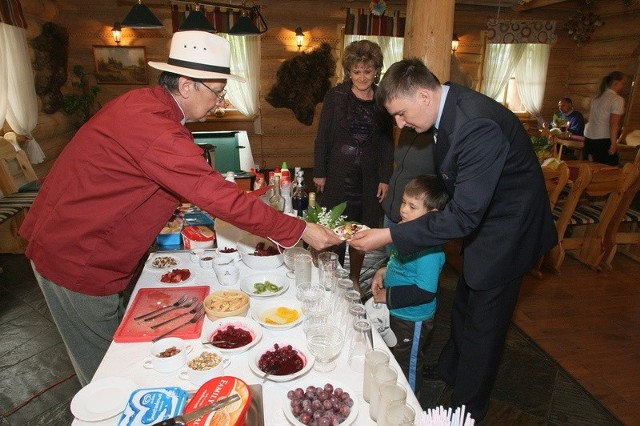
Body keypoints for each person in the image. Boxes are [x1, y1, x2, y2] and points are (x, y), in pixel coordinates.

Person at [19, 31, 341, 386]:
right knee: (107, 372)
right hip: (76, 256)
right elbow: (217, 195)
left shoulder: (143, 103)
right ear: (187, 85)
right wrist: (300, 229)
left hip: (69, 240)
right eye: (218, 92)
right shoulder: (155, 126)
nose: (221, 102)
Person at [350, 58, 557, 422]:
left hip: (510, 232)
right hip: (486, 222)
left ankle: (467, 408)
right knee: (464, 301)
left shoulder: (476, 125)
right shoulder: (448, 109)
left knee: (484, 326)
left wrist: (391, 234)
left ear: (425, 95)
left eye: (400, 113)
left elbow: (463, 215)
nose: (399, 124)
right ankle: (449, 370)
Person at [313, 39, 394, 294]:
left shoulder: (383, 98)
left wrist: (385, 177)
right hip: (338, 171)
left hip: (369, 177)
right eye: (356, 71)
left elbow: (386, 141)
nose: (362, 77)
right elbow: (322, 136)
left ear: (376, 71)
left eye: (367, 71)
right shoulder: (335, 96)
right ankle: (336, 277)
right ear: (349, 71)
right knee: (336, 228)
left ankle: (356, 278)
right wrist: (320, 172)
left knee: (362, 230)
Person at [371, 174, 449, 396]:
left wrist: (388, 296)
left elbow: (425, 290)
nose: (403, 210)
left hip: (412, 320)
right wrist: (384, 270)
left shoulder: (430, 250)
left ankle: (408, 404)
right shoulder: (410, 234)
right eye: (404, 202)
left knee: (408, 364)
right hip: (398, 311)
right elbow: (400, 262)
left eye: (412, 206)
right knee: (394, 355)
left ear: (432, 215)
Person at [381, 126, 436, 254]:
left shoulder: (440, 135)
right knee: (392, 264)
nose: (400, 123)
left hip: (414, 220)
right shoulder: (407, 129)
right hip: (393, 211)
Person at [584, 71, 627, 166]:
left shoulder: (597, 98)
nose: (623, 86)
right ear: (616, 82)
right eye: (623, 83)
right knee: (609, 171)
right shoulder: (617, 99)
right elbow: (613, 123)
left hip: (589, 137)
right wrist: (613, 143)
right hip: (602, 139)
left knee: (589, 169)